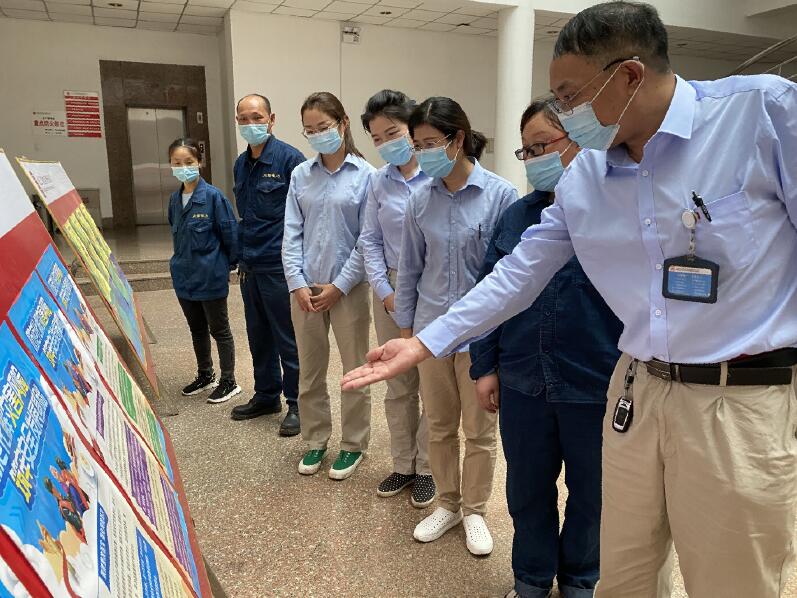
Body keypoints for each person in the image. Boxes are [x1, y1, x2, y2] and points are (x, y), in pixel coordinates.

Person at [342, 2, 797, 597]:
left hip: (737, 397)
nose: (566, 114)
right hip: (637, 386)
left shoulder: (762, 114)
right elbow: (518, 272)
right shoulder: (586, 176)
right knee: (624, 571)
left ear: (628, 76)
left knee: (731, 579)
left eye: (571, 97)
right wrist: (426, 341)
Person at [470, 98, 622, 598]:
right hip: (523, 378)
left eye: (542, 146)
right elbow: (489, 292)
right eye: (527, 150)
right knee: (527, 489)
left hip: (594, 381)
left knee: (592, 493)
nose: (534, 159)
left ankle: (581, 578)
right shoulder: (517, 216)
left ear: (578, 140)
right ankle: (531, 578)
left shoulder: (614, 211)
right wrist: (484, 366)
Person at [395, 97, 517, 556]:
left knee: (480, 429)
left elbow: (511, 277)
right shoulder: (419, 198)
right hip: (430, 332)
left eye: (430, 143)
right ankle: (447, 503)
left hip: (481, 336)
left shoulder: (501, 196)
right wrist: (407, 333)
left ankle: (475, 511)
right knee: (440, 424)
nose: (423, 153)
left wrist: (500, 342)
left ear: (458, 139)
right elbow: (409, 269)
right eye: (417, 145)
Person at [283, 91, 375, 480]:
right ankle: (316, 437)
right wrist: (296, 282)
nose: (318, 135)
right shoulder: (300, 175)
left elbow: (368, 239)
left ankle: (353, 444)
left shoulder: (367, 176)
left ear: (343, 123)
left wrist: (339, 285)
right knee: (309, 369)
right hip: (305, 289)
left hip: (348, 290)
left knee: (355, 369)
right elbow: (291, 233)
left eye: (324, 127)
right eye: (310, 130)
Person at [359, 89, 436, 508]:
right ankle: (403, 464)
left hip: (433, 289)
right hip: (390, 287)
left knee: (433, 385)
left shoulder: (437, 174)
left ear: (412, 129)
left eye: (393, 133)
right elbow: (369, 240)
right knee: (397, 383)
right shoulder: (378, 181)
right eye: (377, 138)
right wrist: (385, 292)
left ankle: (427, 468)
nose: (386, 143)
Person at [231, 94, 306, 437]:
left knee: (287, 338)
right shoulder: (241, 164)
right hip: (250, 264)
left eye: (257, 117)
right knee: (258, 336)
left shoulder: (290, 159)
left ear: (271, 119)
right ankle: (266, 395)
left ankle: (298, 403)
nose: (251, 124)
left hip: (279, 265)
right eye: (244, 118)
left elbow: (305, 215)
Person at [168, 137, 240, 404]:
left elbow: (230, 234)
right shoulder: (174, 200)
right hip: (184, 277)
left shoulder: (213, 197)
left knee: (219, 330)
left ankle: (229, 380)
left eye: (188, 162)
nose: (183, 167)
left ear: (199, 162)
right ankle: (205, 375)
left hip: (210, 275)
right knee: (196, 329)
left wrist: (226, 266)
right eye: (177, 163)